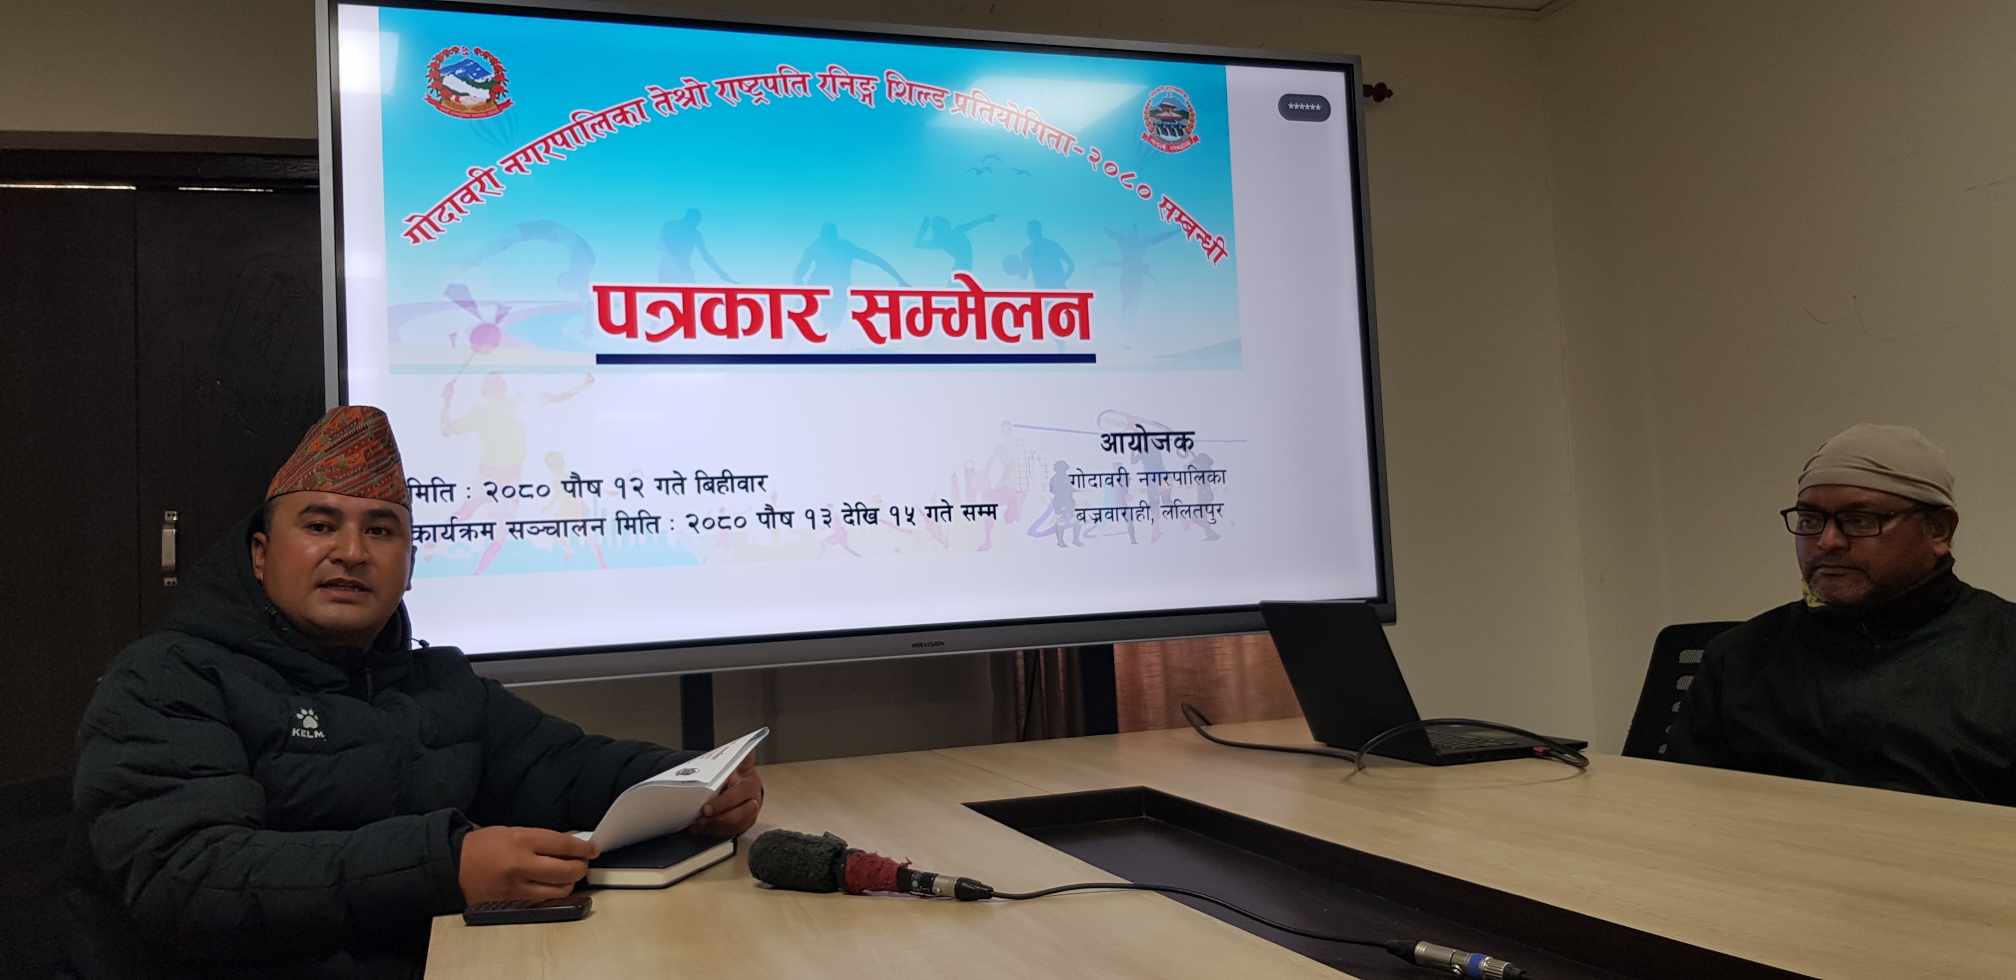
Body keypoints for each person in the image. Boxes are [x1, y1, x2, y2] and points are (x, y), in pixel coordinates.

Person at [63, 406, 765, 979]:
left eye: (381, 530)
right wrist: (445, 866)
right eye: (319, 525)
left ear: (410, 566)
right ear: (260, 553)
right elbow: (189, 879)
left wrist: (694, 784)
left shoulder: (439, 685)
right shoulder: (169, 678)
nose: (351, 552)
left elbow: (566, 766)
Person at [1665, 423, 2015, 806]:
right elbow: (1681, 809)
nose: (1827, 541)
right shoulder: (1738, 658)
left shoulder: (2003, 653)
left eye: (1860, 520)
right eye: (1809, 520)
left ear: (1939, 530)